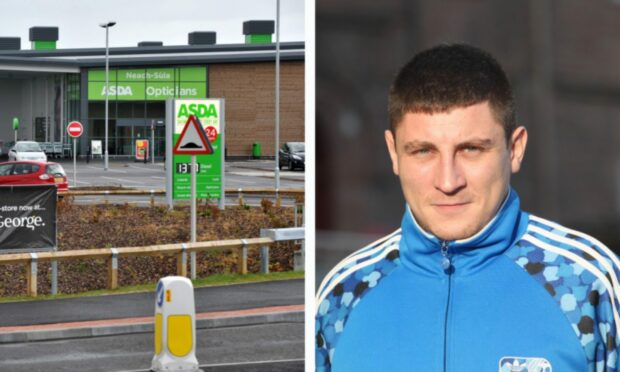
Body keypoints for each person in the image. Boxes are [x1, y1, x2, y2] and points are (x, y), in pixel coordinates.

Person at [315, 44, 620, 372]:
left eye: (471, 149)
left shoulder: (588, 285)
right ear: (393, 154)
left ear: (514, 149)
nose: (448, 181)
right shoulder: (343, 295)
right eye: (423, 151)